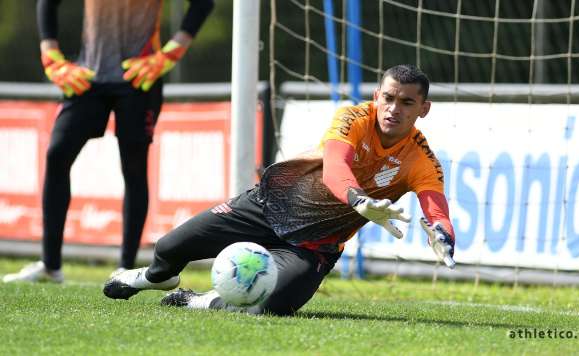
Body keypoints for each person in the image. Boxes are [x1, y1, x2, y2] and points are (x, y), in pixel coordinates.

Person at [103, 64, 456, 316]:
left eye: (407, 102)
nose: (394, 109)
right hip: (267, 207)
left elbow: (436, 209)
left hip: (314, 245)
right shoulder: (353, 117)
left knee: (274, 306)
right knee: (169, 248)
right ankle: (153, 278)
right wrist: (358, 199)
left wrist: (442, 232)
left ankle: (199, 300)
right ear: (377, 96)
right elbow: (336, 168)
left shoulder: (421, 160)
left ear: (423, 109)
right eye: (389, 98)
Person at [2, 0, 215, 284]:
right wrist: (50, 55)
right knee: (57, 155)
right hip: (88, 77)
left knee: (134, 167)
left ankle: (125, 266)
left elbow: (204, 3)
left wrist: (170, 53)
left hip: (139, 78)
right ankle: (50, 266)